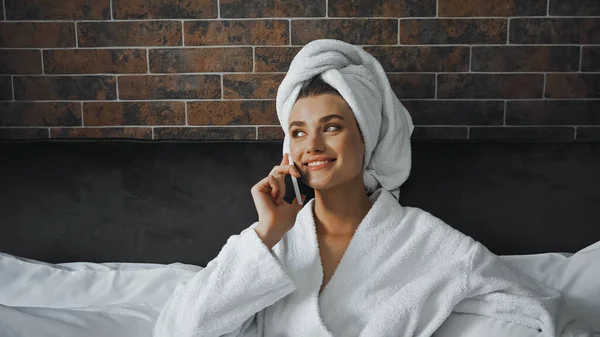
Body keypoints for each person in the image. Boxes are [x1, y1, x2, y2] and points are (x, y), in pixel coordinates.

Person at [153, 40, 592, 337]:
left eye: (332, 127)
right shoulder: (274, 245)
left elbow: (537, 311)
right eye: (299, 133)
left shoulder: (422, 239)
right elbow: (180, 328)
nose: (314, 146)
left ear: (367, 137)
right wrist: (266, 233)